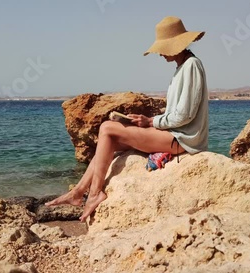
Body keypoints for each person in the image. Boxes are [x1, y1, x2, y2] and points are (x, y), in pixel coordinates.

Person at [45, 16, 209, 222]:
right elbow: (178, 113)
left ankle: (95, 193)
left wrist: (150, 122)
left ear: (175, 44)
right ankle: (78, 192)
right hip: (174, 134)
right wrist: (147, 121)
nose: (159, 54)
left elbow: (185, 115)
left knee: (106, 127)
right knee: (110, 138)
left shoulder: (191, 65)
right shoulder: (182, 67)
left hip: (183, 139)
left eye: (162, 48)